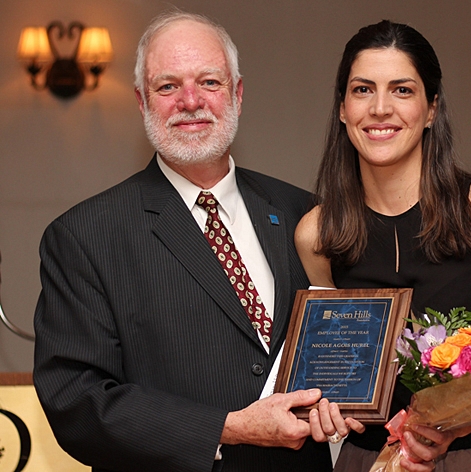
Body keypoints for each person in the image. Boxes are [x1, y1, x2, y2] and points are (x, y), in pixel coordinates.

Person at [33, 10, 336, 472]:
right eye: (168, 86)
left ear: (237, 93)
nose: (190, 101)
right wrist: (228, 427)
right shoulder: (85, 237)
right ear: (142, 101)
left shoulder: (307, 214)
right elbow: (77, 400)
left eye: (209, 82)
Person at [295, 20, 471, 472]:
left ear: (431, 108)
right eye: (362, 90)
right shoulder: (317, 235)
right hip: (369, 461)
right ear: (342, 108)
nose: (380, 109)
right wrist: (326, 407)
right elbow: (338, 370)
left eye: (402, 90)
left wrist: (454, 427)